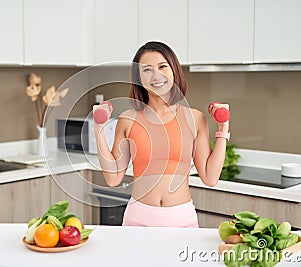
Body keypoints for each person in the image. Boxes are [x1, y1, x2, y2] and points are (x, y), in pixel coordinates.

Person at [93, 41, 230, 227]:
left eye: (162, 66)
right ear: (139, 77)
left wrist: (223, 129)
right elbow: (113, 178)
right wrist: (98, 129)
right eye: (147, 69)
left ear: (174, 70)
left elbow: (210, 177)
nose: (156, 75)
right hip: (138, 218)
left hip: (181, 218)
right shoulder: (128, 119)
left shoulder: (195, 118)